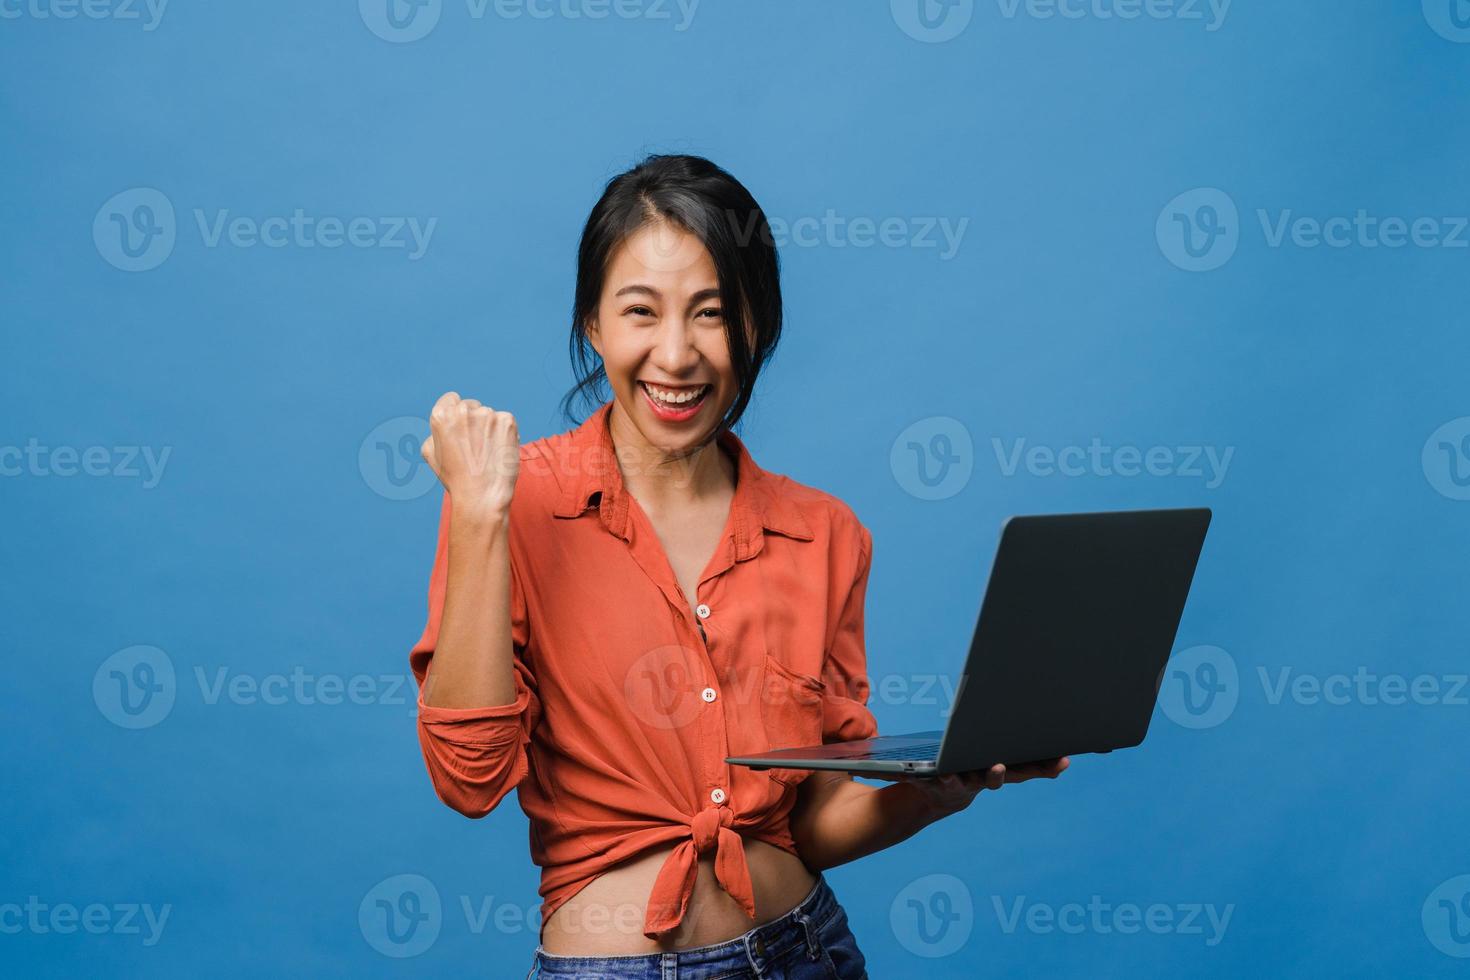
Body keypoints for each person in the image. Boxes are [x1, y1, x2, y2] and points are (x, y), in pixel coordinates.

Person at [407, 153, 1068, 978]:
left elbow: (812, 820)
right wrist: (476, 515)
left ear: (756, 325)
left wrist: (931, 794)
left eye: (712, 314)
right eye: (640, 312)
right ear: (593, 324)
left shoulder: (823, 533)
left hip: (806, 950)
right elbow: (467, 778)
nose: (676, 355)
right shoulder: (512, 501)